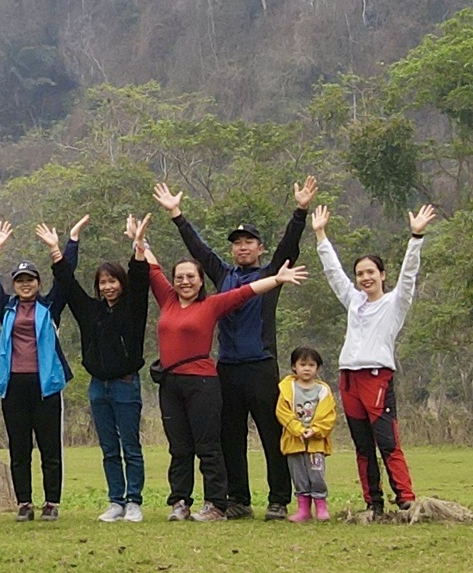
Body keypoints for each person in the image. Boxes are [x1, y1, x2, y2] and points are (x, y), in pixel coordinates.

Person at [153, 176, 316, 519]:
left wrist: (300, 210)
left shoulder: (272, 274)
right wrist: (177, 215)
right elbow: (199, 251)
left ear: (259, 248)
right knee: (230, 437)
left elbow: (288, 248)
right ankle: (238, 499)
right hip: (225, 368)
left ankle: (277, 499)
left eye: (249, 242)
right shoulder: (222, 275)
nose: (242, 247)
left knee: (272, 434)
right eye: (237, 243)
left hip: (260, 366)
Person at [313, 203, 435, 515]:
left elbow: (409, 276)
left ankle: (405, 498)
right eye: (360, 274)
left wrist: (416, 237)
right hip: (349, 380)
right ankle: (373, 503)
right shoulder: (354, 301)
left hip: (376, 378)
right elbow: (334, 274)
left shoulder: (394, 303)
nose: (365, 278)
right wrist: (321, 235)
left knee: (387, 442)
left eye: (371, 272)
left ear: (382, 275)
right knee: (363, 446)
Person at [42, 219, 150, 523]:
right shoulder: (90, 311)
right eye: (102, 282)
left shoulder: (133, 307)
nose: (108, 287)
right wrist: (56, 248)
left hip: (126, 383)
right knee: (108, 447)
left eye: (112, 281)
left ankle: (134, 502)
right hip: (98, 386)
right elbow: (67, 284)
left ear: (121, 283)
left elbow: (141, 279)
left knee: (130, 445)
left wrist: (138, 246)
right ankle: (116, 501)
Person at [0, 217, 75, 522]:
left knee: (49, 447)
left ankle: (51, 502)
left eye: (30, 279)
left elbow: (66, 279)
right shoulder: (5, 307)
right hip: (14, 385)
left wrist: (64, 245)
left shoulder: (50, 306)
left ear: (38, 283)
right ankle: (24, 503)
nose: (25, 284)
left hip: (46, 384)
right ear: (15, 284)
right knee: (19, 446)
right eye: (20, 280)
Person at [276, 345, 337, 521]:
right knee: (299, 476)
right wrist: (298, 429)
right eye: (303, 364)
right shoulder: (287, 388)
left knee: (316, 475)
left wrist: (315, 430)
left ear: (317, 368)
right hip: (294, 441)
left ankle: (321, 508)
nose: (307, 368)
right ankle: (303, 509)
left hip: (316, 442)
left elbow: (329, 415)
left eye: (311, 365)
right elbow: (282, 411)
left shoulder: (323, 391)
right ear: (294, 367)